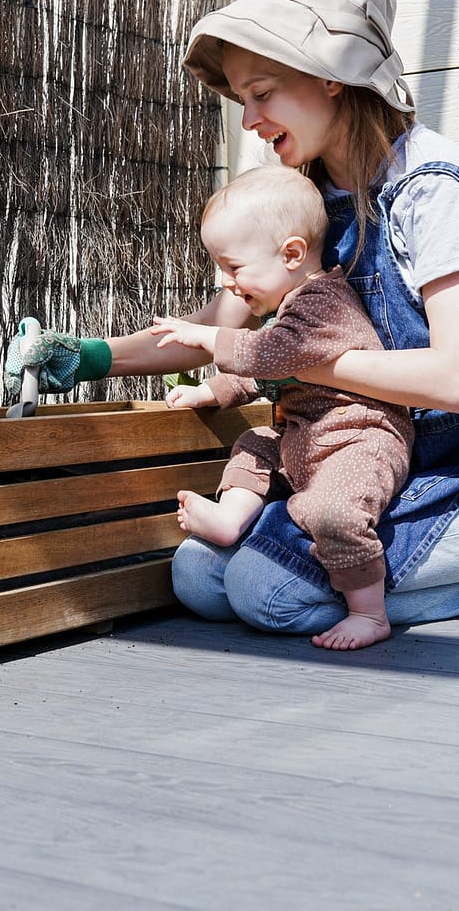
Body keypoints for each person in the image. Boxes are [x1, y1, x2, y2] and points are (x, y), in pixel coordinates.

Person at [6, 0, 459, 639]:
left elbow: (457, 383)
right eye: (243, 99)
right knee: (199, 578)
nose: (248, 120)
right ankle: (421, 579)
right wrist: (89, 356)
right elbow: (222, 323)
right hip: (361, 466)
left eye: (262, 93)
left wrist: (281, 357)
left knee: (267, 594)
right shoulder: (312, 201)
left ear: (331, 78)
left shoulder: (434, 190)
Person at [149, 165, 413, 650]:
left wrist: (209, 338)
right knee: (254, 443)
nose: (225, 281)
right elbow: (265, 365)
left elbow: (267, 355)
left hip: (359, 439)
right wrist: (209, 393)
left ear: (291, 254)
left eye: (233, 266)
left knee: (333, 511)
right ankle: (231, 519)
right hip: (307, 436)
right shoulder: (289, 310)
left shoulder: (321, 303)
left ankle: (370, 613)